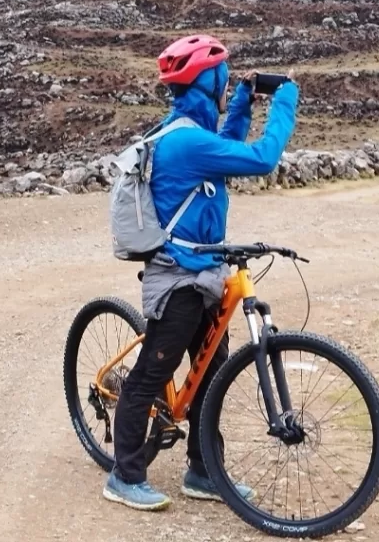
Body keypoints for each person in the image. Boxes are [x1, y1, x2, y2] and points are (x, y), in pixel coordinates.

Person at [102, 34, 301, 511]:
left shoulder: (192, 134)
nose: (226, 80)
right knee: (151, 375)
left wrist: (240, 105)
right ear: (206, 80)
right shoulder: (186, 140)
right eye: (223, 76)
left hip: (205, 273)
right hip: (178, 277)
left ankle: (203, 470)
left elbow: (223, 153)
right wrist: (285, 101)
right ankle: (124, 475)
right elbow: (261, 159)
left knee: (210, 373)